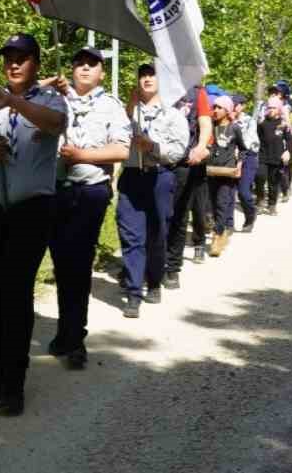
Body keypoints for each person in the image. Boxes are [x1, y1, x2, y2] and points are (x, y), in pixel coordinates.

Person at [0, 33, 68, 417]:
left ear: (35, 63)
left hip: (29, 211)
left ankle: (15, 383)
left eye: (22, 57)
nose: (13, 63)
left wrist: (14, 103)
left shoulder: (49, 100)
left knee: (16, 294)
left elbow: (56, 124)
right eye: (8, 57)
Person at [47, 47, 129, 367]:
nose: (83, 68)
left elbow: (121, 149)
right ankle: (65, 328)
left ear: (101, 72)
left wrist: (83, 156)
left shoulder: (111, 106)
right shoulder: (55, 100)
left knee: (78, 263)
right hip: (55, 191)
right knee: (60, 262)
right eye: (78, 63)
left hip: (90, 191)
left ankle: (75, 338)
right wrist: (47, 85)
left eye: (91, 64)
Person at [117, 63, 189, 316]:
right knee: (131, 234)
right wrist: (128, 107)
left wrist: (153, 147)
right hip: (132, 176)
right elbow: (116, 135)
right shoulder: (127, 110)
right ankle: (134, 290)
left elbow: (180, 150)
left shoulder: (173, 113)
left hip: (159, 176)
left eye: (152, 74)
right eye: (143, 75)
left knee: (157, 232)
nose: (147, 79)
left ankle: (155, 280)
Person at [164, 82, 213, 285]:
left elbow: (205, 123)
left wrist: (201, 147)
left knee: (179, 214)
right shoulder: (159, 85)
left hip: (186, 161)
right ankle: (147, 263)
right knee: (154, 214)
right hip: (158, 158)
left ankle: (172, 266)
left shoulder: (197, 92)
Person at [204, 95, 247, 256]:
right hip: (210, 171)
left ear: (227, 110)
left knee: (222, 205)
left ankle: (217, 237)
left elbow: (243, 149)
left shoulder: (234, 128)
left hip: (227, 172)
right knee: (211, 206)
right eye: (214, 107)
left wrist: (240, 164)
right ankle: (219, 231)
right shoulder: (209, 126)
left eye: (219, 108)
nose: (215, 110)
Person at [255, 95, 292, 216]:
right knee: (260, 178)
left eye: (273, 108)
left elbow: (289, 139)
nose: (271, 110)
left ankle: (272, 205)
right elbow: (256, 138)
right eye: (269, 107)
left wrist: (287, 151)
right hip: (263, 156)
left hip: (277, 157)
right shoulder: (262, 123)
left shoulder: (283, 124)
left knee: (273, 182)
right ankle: (260, 201)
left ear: (279, 109)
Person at [232, 94, 261, 233]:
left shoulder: (249, 121)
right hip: (230, 157)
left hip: (248, 157)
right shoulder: (227, 119)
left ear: (242, 106)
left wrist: (239, 150)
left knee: (243, 192)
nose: (233, 106)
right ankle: (227, 224)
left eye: (236, 104)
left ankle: (250, 215)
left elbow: (248, 141)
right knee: (228, 193)